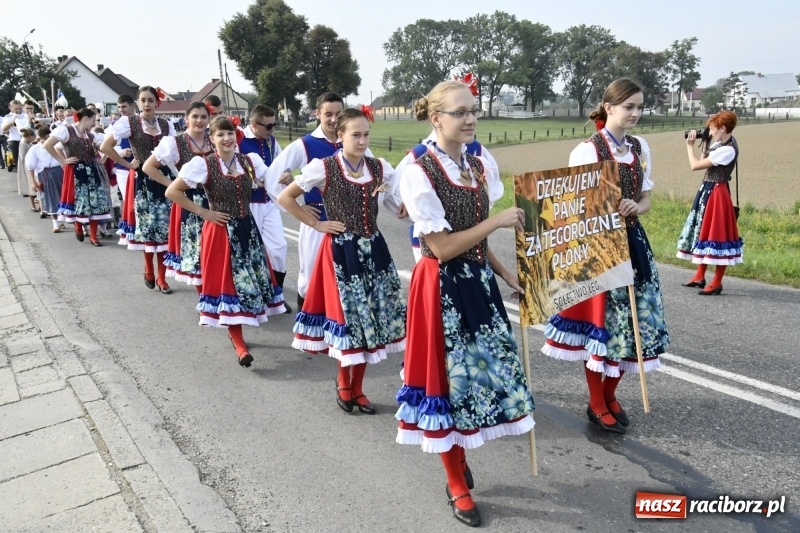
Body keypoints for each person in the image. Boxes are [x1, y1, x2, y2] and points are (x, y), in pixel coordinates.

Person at [395, 80, 535, 528]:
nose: (471, 119)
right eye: (459, 112)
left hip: (476, 280)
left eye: (472, 111)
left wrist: (506, 274)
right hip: (441, 287)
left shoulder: (476, 164)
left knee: (483, 379)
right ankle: (455, 480)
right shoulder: (418, 169)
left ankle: (457, 460)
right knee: (449, 384)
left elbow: (471, 240)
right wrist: (496, 222)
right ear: (436, 119)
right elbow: (442, 247)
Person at [541, 78, 669, 435]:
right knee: (604, 328)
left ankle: (611, 394)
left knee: (634, 327)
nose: (636, 114)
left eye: (640, 107)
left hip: (634, 243)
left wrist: (635, 207)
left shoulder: (640, 148)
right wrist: (606, 210)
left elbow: (646, 200)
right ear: (609, 107)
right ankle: (596, 401)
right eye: (629, 107)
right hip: (599, 248)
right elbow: (573, 208)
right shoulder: (587, 151)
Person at [279, 108, 406, 415]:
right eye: (355, 135)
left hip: (374, 251)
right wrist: (317, 224)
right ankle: (343, 381)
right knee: (351, 320)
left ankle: (359, 387)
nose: (362, 141)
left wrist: (404, 209)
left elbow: (388, 199)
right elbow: (285, 198)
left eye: (366, 135)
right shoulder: (323, 168)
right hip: (341, 252)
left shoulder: (379, 168)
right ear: (340, 137)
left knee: (371, 320)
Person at [166, 116, 285, 367]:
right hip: (220, 231)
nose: (226, 138)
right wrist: (204, 212)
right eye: (220, 135)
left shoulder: (249, 161)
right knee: (229, 286)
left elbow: (272, 181)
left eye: (229, 133)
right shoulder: (203, 165)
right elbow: (173, 191)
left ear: (236, 136)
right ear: (212, 139)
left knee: (247, 283)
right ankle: (239, 344)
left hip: (246, 229)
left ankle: (240, 333)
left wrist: (292, 181)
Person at [267, 92, 374, 310]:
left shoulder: (355, 140)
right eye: (328, 114)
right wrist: (297, 208)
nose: (334, 119)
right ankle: (309, 329)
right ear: (318, 114)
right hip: (318, 224)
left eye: (339, 114)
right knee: (311, 275)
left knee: (348, 277)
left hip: (351, 227)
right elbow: (272, 178)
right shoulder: (305, 144)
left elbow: (375, 173)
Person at [101, 86, 176, 293]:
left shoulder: (166, 125)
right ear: (138, 103)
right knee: (148, 227)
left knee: (165, 229)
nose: (146, 104)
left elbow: (176, 154)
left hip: (163, 179)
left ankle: (161, 277)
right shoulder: (129, 122)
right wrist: (127, 164)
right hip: (143, 180)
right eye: (143, 100)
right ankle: (148, 269)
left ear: (156, 103)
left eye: (150, 100)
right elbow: (105, 147)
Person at [143, 101, 213, 290]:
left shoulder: (215, 140)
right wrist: (173, 185)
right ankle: (204, 299)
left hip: (214, 201)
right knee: (196, 250)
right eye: (195, 116)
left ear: (209, 119)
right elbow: (148, 166)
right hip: (190, 202)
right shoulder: (175, 142)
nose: (199, 120)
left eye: (203, 117)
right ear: (186, 119)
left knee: (215, 250)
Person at [677, 110, 743, 295]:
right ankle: (699, 275)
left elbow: (695, 165)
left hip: (717, 194)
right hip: (709, 191)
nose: (711, 132)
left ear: (723, 128)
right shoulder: (724, 143)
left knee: (717, 236)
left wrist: (690, 146)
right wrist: (705, 142)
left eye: (713, 129)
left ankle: (717, 281)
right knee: (703, 232)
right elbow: (707, 156)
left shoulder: (727, 150)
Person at [238, 104, 291, 312]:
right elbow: (225, 167)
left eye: (274, 125)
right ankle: (249, 296)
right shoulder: (238, 139)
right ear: (254, 124)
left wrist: (287, 175)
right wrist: (250, 183)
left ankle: (276, 294)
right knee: (249, 251)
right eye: (268, 126)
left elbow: (281, 165)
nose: (272, 130)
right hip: (246, 203)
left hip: (269, 202)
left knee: (278, 248)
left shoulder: (272, 141)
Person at [44, 107, 112, 246]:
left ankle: (93, 236)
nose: (94, 124)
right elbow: (49, 145)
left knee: (95, 203)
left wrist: (105, 158)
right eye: (92, 120)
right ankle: (78, 227)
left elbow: (104, 148)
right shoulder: (66, 131)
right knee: (78, 202)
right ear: (85, 118)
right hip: (76, 171)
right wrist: (63, 161)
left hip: (91, 171)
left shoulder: (91, 135)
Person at [26, 126, 64, 231]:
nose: (46, 140)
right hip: (45, 173)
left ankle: (60, 219)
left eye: (48, 137)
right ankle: (55, 223)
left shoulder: (56, 145)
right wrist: (33, 182)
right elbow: (30, 166)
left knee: (62, 196)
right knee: (50, 197)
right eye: (44, 138)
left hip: (58, 171)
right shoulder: (35, 149)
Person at [17, 128, 38, 211]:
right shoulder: (23, 144)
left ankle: (35, 204)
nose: (34, 139)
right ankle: (33, 205)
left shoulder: (27, 143)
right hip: (26, 167)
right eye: (33, 137)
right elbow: (23, 157)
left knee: (32, 186)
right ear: (29, 136)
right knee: (30, 186)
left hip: (28, 166)